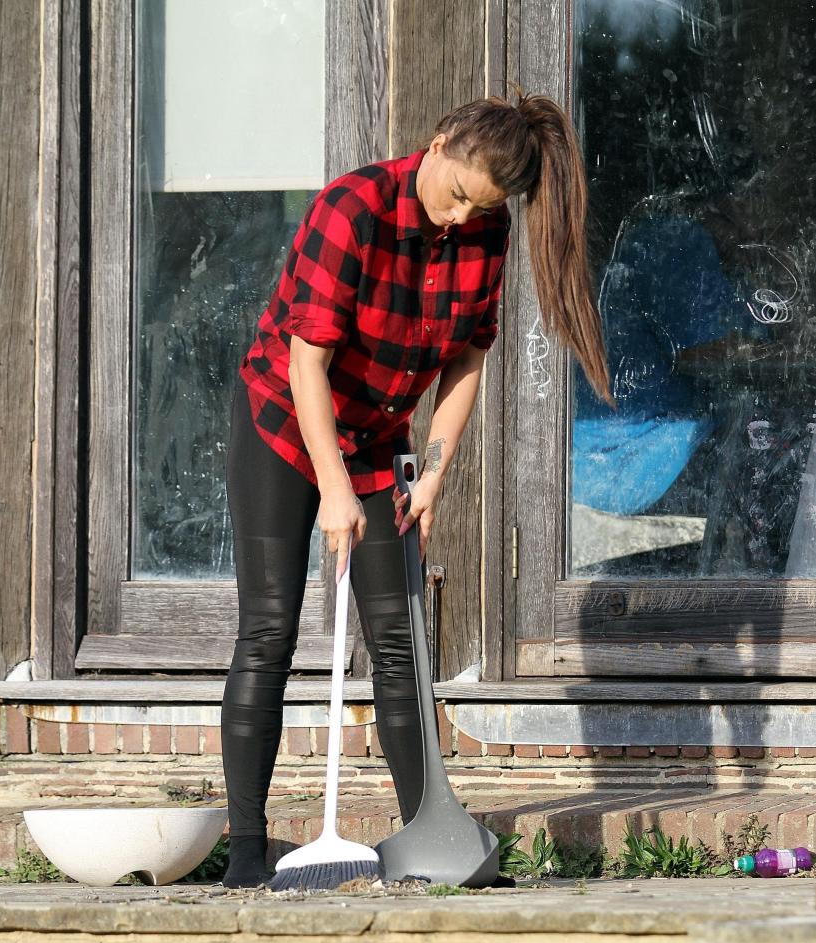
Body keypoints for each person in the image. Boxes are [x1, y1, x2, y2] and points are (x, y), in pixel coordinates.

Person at [220, 86, 612, 888]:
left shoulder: (484, 230)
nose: (461, 217)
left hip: (377, 437)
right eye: (458, 194)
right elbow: (306, 363)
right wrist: (331, 487)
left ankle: (427, 839)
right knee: (269, 629)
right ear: (437, 144)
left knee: (399, 639)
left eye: (483, 208)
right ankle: (249, 853)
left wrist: (432, 472)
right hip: (285, 422)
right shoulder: (352, 209)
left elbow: (468, 356)